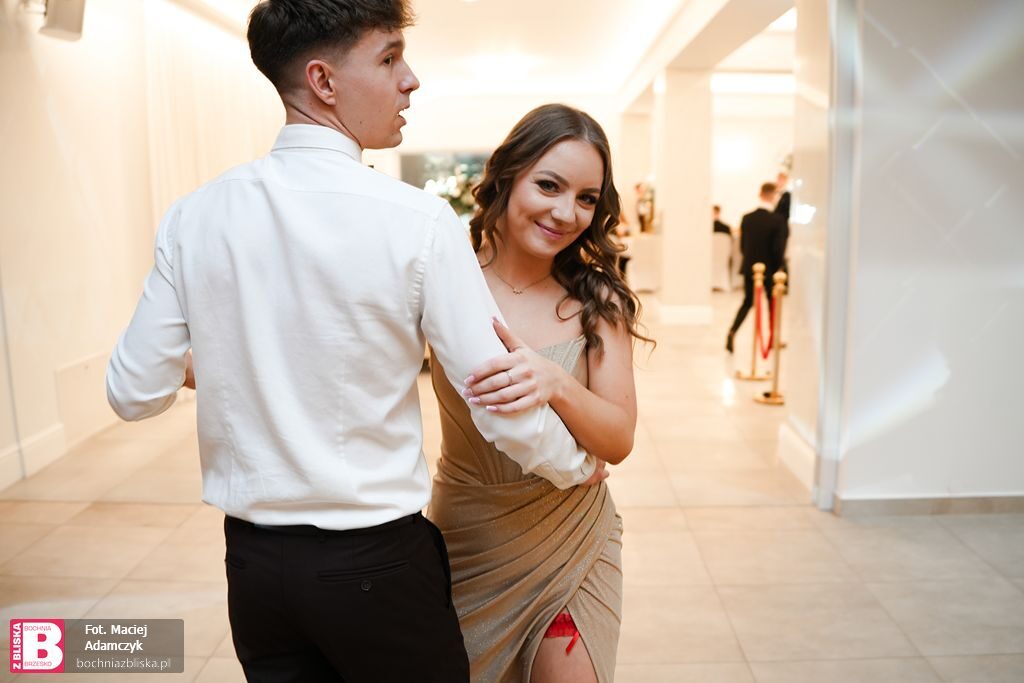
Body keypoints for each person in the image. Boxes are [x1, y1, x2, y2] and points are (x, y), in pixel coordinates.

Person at [105, 3, 604, 681]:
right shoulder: (419, 220)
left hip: (255, 569)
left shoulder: (195, 215)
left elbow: (133, 392)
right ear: (323, 81)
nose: (411, 79)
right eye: (389, 58)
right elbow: (493, 395)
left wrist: (226, 359)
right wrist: (574, 464)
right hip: (376, 564)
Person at [427, 104, 650, 683]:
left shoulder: (597, 300)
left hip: (573, 534)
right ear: (507, 176)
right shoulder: (447, 285)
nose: (566, 212)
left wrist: (556, 382)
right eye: (548, 185)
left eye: (586, 198)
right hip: (469, 535)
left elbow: (618, 439)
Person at [725, 182, 787, 353]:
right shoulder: (777, 220)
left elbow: (743, 247)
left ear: (760, 194)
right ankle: (773, 338)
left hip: (750, 268)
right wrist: (779, 268)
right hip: (770, 270)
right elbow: (778, 249)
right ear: (773, 196)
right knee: (772, 303)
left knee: (747, 302)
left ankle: (732, 331)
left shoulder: (747, 218)